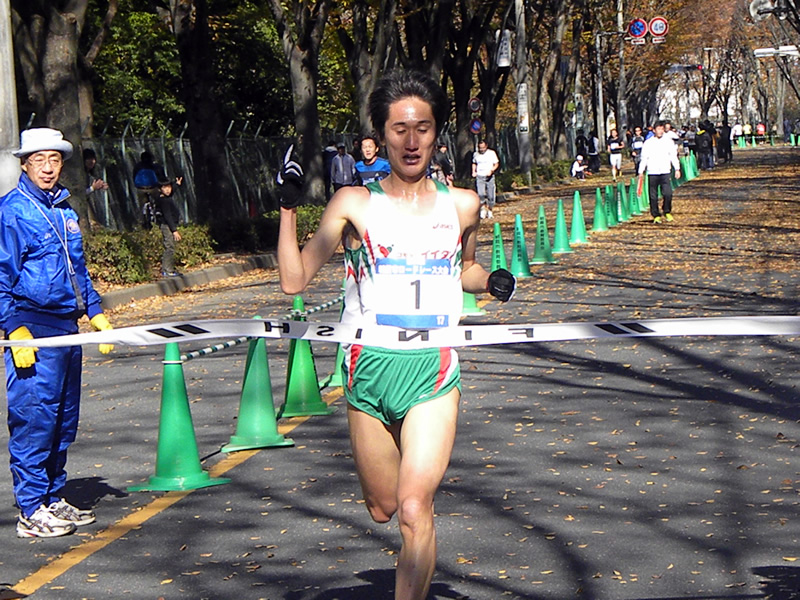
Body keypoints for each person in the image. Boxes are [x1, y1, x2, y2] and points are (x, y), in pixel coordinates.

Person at [277, 69, 515, 600]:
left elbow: (464, 270)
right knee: (383, 506)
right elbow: (294, 279)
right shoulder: (353, 203)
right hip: (367, 370)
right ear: (381, 135)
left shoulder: (462, 204)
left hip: (432, 372)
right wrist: (288, 208)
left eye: (422, 129)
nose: (411, 141)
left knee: (412, 507)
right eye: (400, 129)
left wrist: (490, 280)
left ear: (436, 134)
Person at [0, 128, 115, 538]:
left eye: (54, 159)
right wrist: (14, 327)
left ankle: (52, 496)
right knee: (35, 419)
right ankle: (31, 509)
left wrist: (95, 312)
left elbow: (77, 268)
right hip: (32, 329)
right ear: (24, 164)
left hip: (67, 328)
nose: (48, 168)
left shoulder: (64, 209)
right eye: (39, 160)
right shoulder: (12, 212)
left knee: (63, 420)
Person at [637, 120, 681, 224]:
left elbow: (673, 156)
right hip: (652, 171)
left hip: (665, 170)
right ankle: (656, 215)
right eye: (658, 129)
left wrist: (677, 169)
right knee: (653, 195)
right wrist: (641, 171)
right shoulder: (648, 143)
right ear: (654, 130)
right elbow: (644, 158)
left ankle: (667, 210)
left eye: (662, 129)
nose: (660, 131)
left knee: (668, 193)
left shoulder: (668, 142)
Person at [155, 176, 184, 277]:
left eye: (169, 187)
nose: (168, 190)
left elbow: (171, 191)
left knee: (171, 246)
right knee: (169, 247)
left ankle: (168, 269)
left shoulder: (166, 197)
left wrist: (177, 185)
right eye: (164, 188)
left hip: (169, 225)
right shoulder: (164, 201)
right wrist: (174, 230)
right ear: (160, 189)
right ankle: (167, 270)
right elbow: (168, 216)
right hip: (167, 225)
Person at [472, 139, 500, 219]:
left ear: (486, 146)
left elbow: (496, 164)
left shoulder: (491, 153)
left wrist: (492, 170)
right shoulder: (476, 154)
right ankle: (483, 209)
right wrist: (473, 171)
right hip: (480, 176)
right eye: (480, 148)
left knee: (491, 195)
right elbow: (474, 163)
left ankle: (490, 210)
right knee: (481, 194)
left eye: (483, 148)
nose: (482, 149)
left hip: (489, 176)